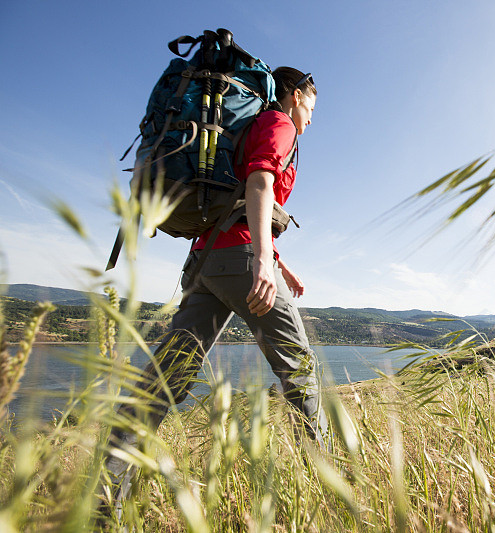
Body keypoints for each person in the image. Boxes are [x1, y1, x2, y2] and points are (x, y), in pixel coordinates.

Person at [101, 67, 327, 506]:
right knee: (300, 371)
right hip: (242, 259)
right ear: (295, 94)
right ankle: (331, 483)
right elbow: (260, 182)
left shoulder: (243, 129)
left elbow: (234, 204)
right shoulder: (278, 123)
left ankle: (106, 496)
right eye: (312, 107)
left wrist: (279, 262)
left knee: (162, 381)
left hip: (205, 263)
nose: (312, 118)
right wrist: (263, 261)